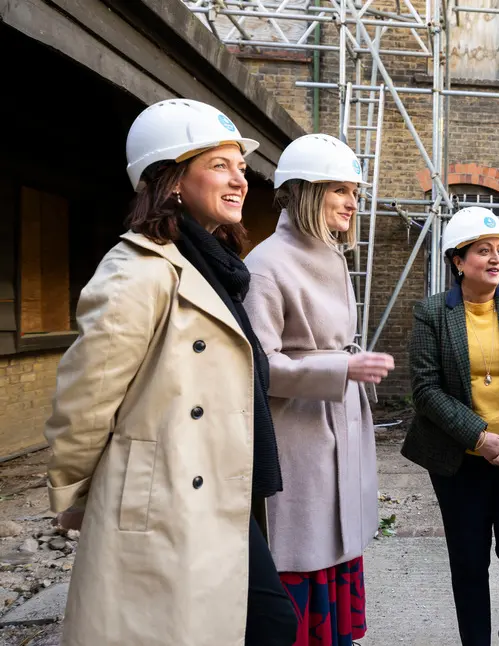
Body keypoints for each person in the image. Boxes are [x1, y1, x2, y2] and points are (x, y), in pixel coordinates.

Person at [43, 99, 297, 645]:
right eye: (219, 166)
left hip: (213, 481)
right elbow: (88, 394)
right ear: (173, 181)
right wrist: (72, 493)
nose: (240, 180)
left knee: (262, 622)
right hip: (166, 492)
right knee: (251, 624)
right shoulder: (138, 268)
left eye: (240, 167)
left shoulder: (216, 265)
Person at [243, 133, 395, 646]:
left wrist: (345, 369)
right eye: (339, 190)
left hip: (338, 423)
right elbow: (257, 366)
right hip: (299, 435)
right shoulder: (265, 265)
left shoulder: (332, 256)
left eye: (355, 191)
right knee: (305, 551)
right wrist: (341, 370)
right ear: (306, 192)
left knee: (340, 546)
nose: (353, 202)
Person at [402, 206, 499, 646]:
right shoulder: (432, 313)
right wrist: (480, 438)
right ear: (458, 260)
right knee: (469, 561)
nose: (495, 259)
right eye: (483, 250)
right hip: (459, 458)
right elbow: (426, 389)